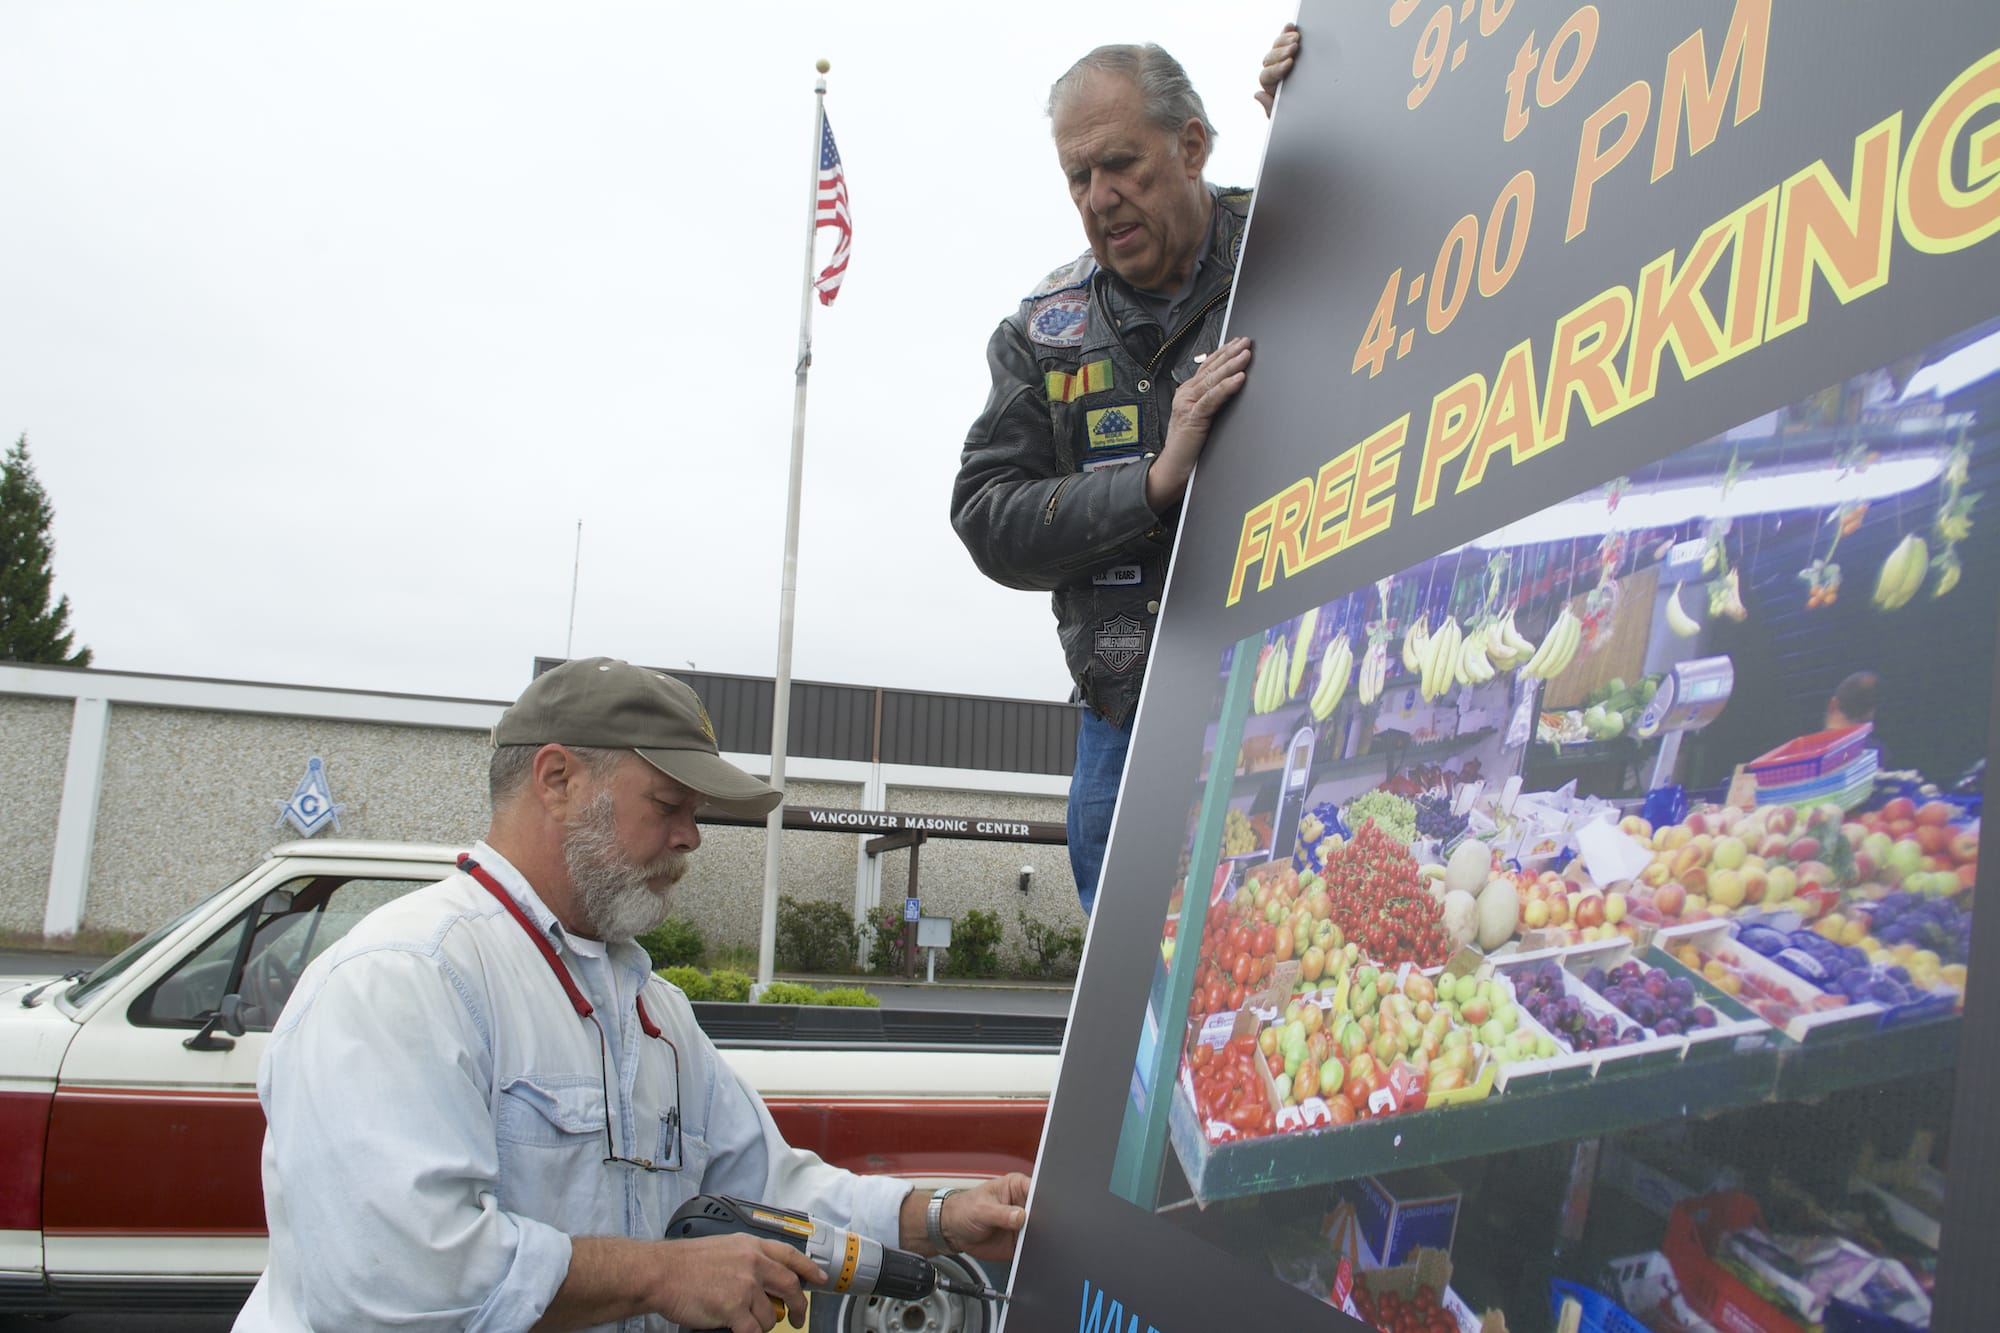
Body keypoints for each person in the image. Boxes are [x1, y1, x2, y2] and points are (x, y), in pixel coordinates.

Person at [235, 657, 1030, 1333]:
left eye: (696, 812)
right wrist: (656, 1275)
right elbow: (396, 1275)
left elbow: (767, 1185)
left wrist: (938, 1215)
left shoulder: (651, 1009)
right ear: (556, 779)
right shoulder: (406, 975)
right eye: (669, 804)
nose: (691, 836)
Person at [950, 27, 1299, 917]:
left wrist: (1329, 117)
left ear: (1192, 145)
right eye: (1079, 177)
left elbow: (1433, 242)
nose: (1100, 197)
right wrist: (1153, 482)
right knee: (1131, 1008)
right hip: (1126, 721)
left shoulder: (1295, 241)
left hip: (1296, 696)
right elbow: (987, 516)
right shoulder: (1042, 330)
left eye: (1121, 165)